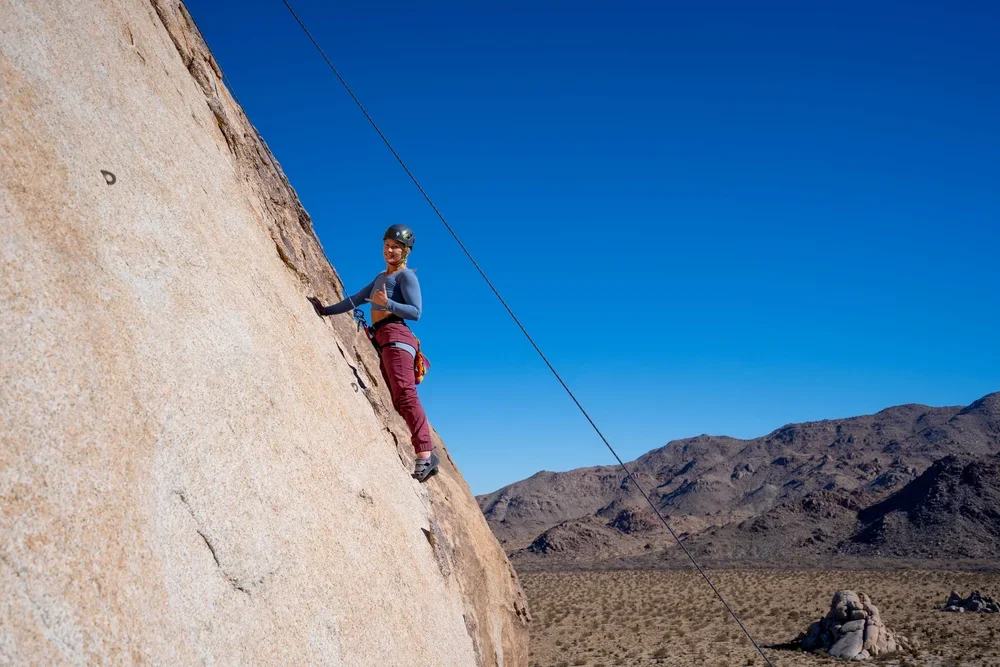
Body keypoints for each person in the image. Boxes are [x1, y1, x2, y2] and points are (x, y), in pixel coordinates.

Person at [308, 225, 439, 482]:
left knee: (406, 395)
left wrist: (387, 303)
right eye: (387, 245)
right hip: (384, 340)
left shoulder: (405, 277)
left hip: (397, 336)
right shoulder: (381, 277)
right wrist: (325, 310)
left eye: (396, 247)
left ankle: (426, 454)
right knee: (399, 401)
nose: (390, 250)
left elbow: (416, 312)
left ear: (405, 252)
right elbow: (356, 298)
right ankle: (424, 453)